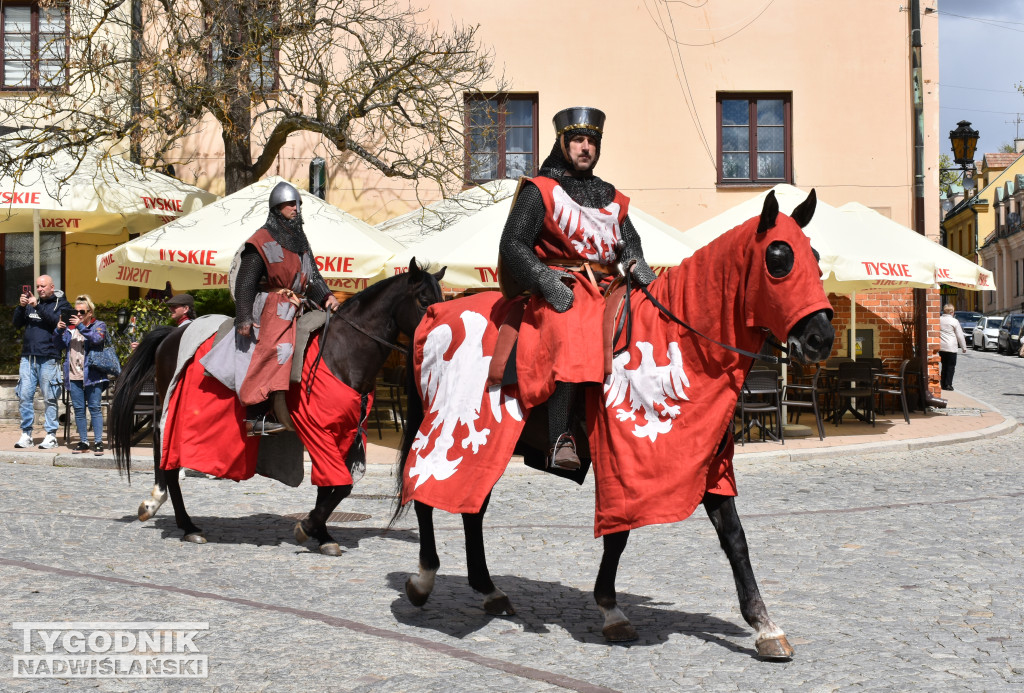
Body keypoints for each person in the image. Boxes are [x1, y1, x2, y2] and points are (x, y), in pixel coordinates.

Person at [498, 106, 655, 470]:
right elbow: (513, 243)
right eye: (579, 140)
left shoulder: (612, 197)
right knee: (575, 327)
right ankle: (560, 437)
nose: (586, 147)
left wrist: (638, 267)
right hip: (564, 286)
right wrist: (545, 281)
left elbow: (629, 246)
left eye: (592, 142)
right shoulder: (542, 190)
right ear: (564, 144)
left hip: (608, 284)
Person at [203, 181, 339, 434]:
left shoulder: (300, 241)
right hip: (271, 308)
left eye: (297, 203)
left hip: (298, 305)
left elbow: (313, 277)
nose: (295, 208)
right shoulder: (260, 241)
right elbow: (245, 283)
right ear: (276, 208)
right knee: (275, 351)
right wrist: (243, 316)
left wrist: (326, 296)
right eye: (289, 204)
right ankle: (255, 417)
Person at [12, 275, 72, 449]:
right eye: (37, 286)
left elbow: (57, 323)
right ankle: (26, 434)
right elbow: (16, 324)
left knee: (50, 397)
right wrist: (20, 306)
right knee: (24, 396)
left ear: (52, 287)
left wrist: (36, 306)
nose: (39, 289)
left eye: (43, 286)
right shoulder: (31, 304)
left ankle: (51, 435)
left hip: (49, 356)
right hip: (28, 357)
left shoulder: (62, 304)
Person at [57, 295, 110, 455]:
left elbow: (97, 339)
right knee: (79, 410)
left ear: (89, 312)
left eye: (82, 311)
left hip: (93, 375)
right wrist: (58, 331)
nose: (78, 314)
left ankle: (99, 442)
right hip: (73, 375)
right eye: (76, 311)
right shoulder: (69, 329)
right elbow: (58, 345)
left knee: (94, 408)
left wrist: (80, 327)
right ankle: (84, 441)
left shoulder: (98, 325)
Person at [939, 303, 967, 391]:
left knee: (944, 365)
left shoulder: (939, 319)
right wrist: (963, 347)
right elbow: (959, 335)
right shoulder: (954, 321)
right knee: (951, 366)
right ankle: (948, 384)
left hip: (941, 346)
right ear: (952, 312)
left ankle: (942, 383)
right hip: (951, 347)